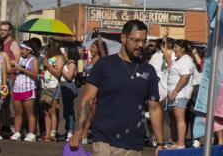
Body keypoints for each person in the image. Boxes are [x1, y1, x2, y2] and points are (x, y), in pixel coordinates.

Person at [70, 20, 164, 156]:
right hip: (104, 142)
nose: (140, 45)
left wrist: (160, 143)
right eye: (136, 41)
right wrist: (78, 131)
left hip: (134, 145)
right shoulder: (104, 65)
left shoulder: (149, 71)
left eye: (144, 41)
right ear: (124, 38)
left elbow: (154, 108)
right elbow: (87, 100)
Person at [165, 39, 195, 148]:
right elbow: (171, 67)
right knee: (174, 119)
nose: (174, 49)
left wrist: (175, 91)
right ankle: (177, 141)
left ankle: (181, 143)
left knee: (179, 118)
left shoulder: (186, 60)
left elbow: (185, 77)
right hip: (173, 94)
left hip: (180, 94)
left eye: (176, 47)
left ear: (183, 48)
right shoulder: (178, 59)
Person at [11, 40, 39, 142]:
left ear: (29, 50)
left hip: (28, 88)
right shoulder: (19, 59)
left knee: (29, 113)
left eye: (23, 49)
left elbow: (35, 74)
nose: (21, 51)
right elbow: (11, 70)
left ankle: (31, 133)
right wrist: (15, 68)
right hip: (17, 87)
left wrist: (22, 69)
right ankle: (17, 132)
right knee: (18, 112)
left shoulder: (34, 60)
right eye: (21, 48)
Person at [41, 41, 65, 141]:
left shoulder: (59, 58)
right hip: (45, 85)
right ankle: (47, 134)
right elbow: (43, 70)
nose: (48, 49)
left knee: (52, 111)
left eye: (50, 47)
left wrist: (48, 66)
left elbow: (58, 73)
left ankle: (52, 133)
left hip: (54, 86)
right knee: (46, 111)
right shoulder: (47, 57)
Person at [60, 44, 80, 140]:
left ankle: (70, 131)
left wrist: (60, 69)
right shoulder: (67, 62)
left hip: (69, 86)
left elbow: (69, 77)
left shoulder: (72, 63)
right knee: (66, 110)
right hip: (64, 86)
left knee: (69, 110)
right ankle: (68, 129)